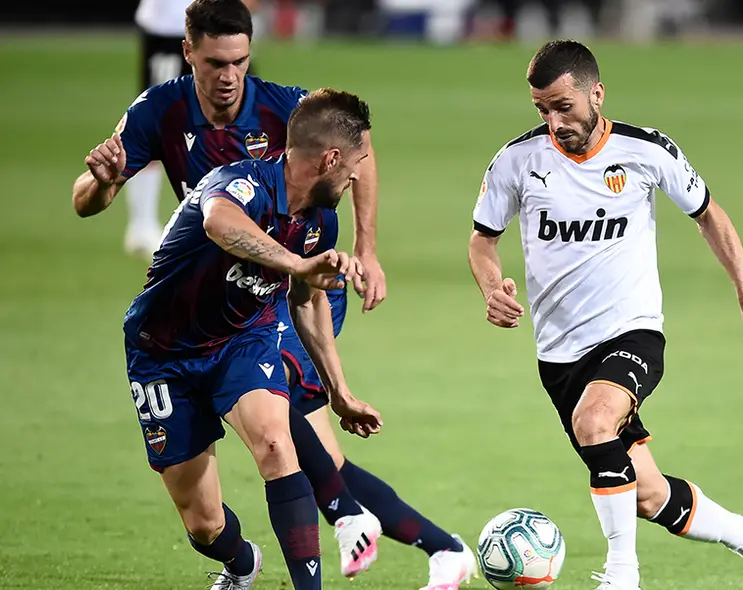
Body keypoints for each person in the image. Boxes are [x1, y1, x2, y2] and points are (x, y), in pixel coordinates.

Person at [72, 1, 473, 584]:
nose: (230, 74)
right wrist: (103, 181)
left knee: (279, 432)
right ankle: (407, 534)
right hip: (209, 290)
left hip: (280, 283)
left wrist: (365, 248)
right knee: (249, 492)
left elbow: (354, 150)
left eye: (240, 60)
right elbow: (89, 199)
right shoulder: (159, 111)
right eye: (215, 62)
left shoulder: (284, 107)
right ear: (188, 54)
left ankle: (351, 517)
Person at [467, 39, 743, 590]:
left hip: (633, 331)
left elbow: (709, 216)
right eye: (542, 110)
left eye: (564, 107)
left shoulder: (646, 151)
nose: (554, 121)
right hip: (559, 354)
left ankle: (623, 576)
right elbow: (483, 241)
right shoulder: (516, 161)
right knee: (646, 494)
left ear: (596, 93)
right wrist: (489, 288)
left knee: (595, 422)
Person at [112, 88, 380, 589]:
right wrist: (296, 262)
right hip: (162, 353)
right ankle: (239, 563)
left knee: (278, 445)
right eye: (356, 165)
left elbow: (307, 300)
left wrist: (339, 393)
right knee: (203, 523)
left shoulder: (321, 219)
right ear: (331, 159)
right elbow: (218, 222)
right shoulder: (240, 184)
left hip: (242, 338)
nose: (358, 177)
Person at [126, 0, 260, 258]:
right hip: (170, 26)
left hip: (219, 27)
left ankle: (231, 214)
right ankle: (142, 224)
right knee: (159, 121)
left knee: (243, 120)